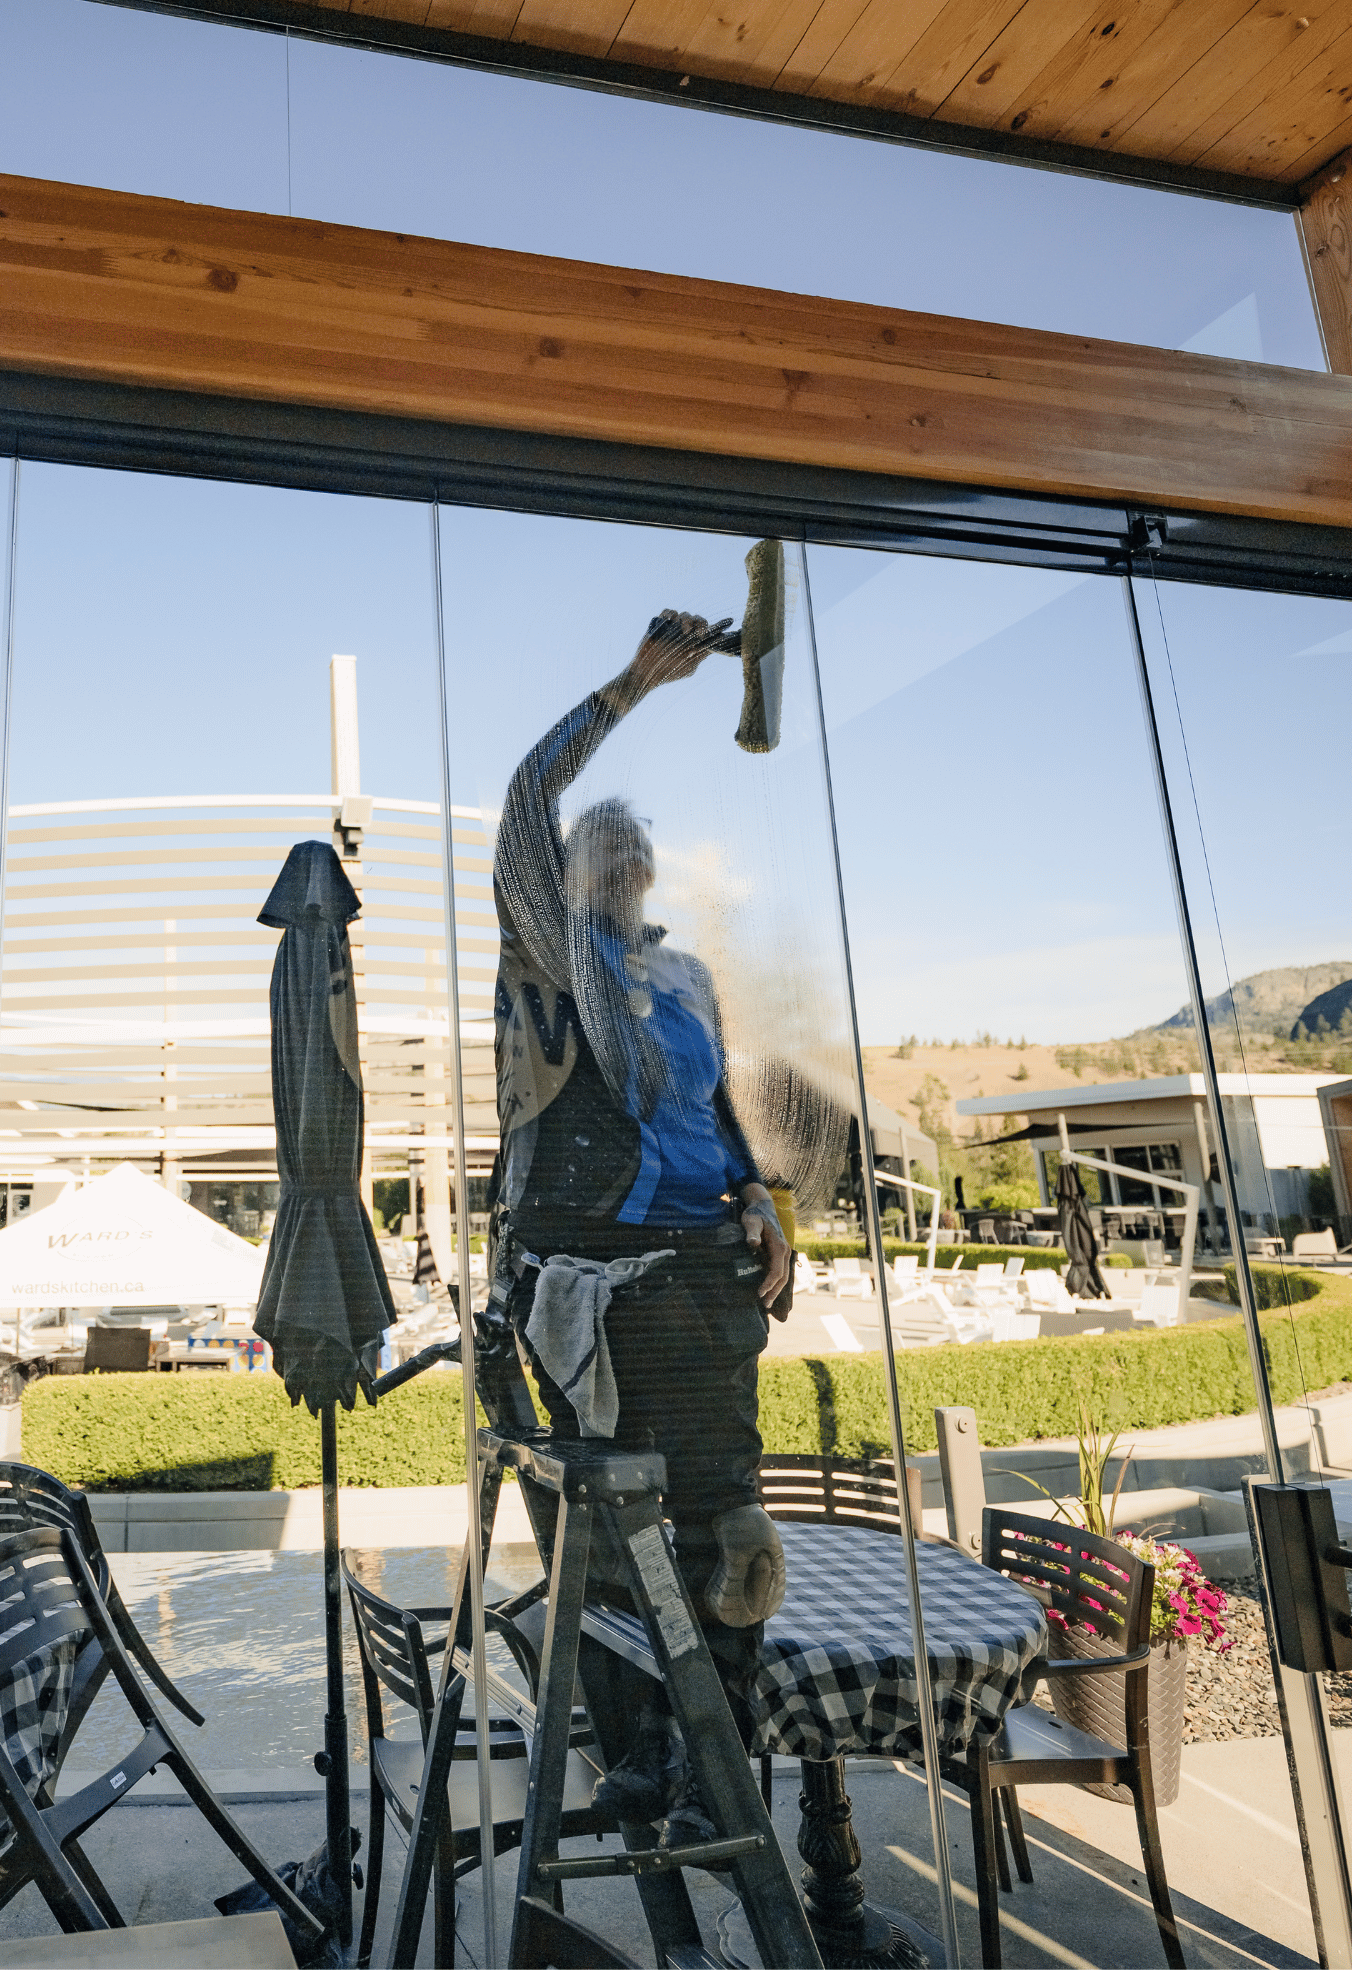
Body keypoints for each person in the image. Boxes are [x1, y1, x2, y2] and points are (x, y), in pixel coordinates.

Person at [490, 607, 795, 1837]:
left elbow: (721, 1118)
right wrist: (634, 684)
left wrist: (761, 1196)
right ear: (562, 875)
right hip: (582, 1282)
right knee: (603, 1534)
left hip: (697, 1283)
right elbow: (524, 791)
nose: (615, 868)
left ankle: (713, 1768)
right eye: (596, 854)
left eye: (630, 857)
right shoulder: (547, 951)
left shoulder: (685, 979)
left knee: (726, 1523)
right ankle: (632, 1763)